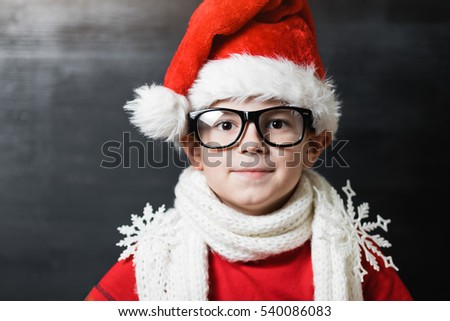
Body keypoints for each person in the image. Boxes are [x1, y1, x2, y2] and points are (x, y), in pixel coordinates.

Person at [85, 0, 412, 301]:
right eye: (225, 125)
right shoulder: (152, 263)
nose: (252, 143)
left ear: (314, 146)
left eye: (278, 123)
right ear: (195, 150)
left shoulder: (356, 260)